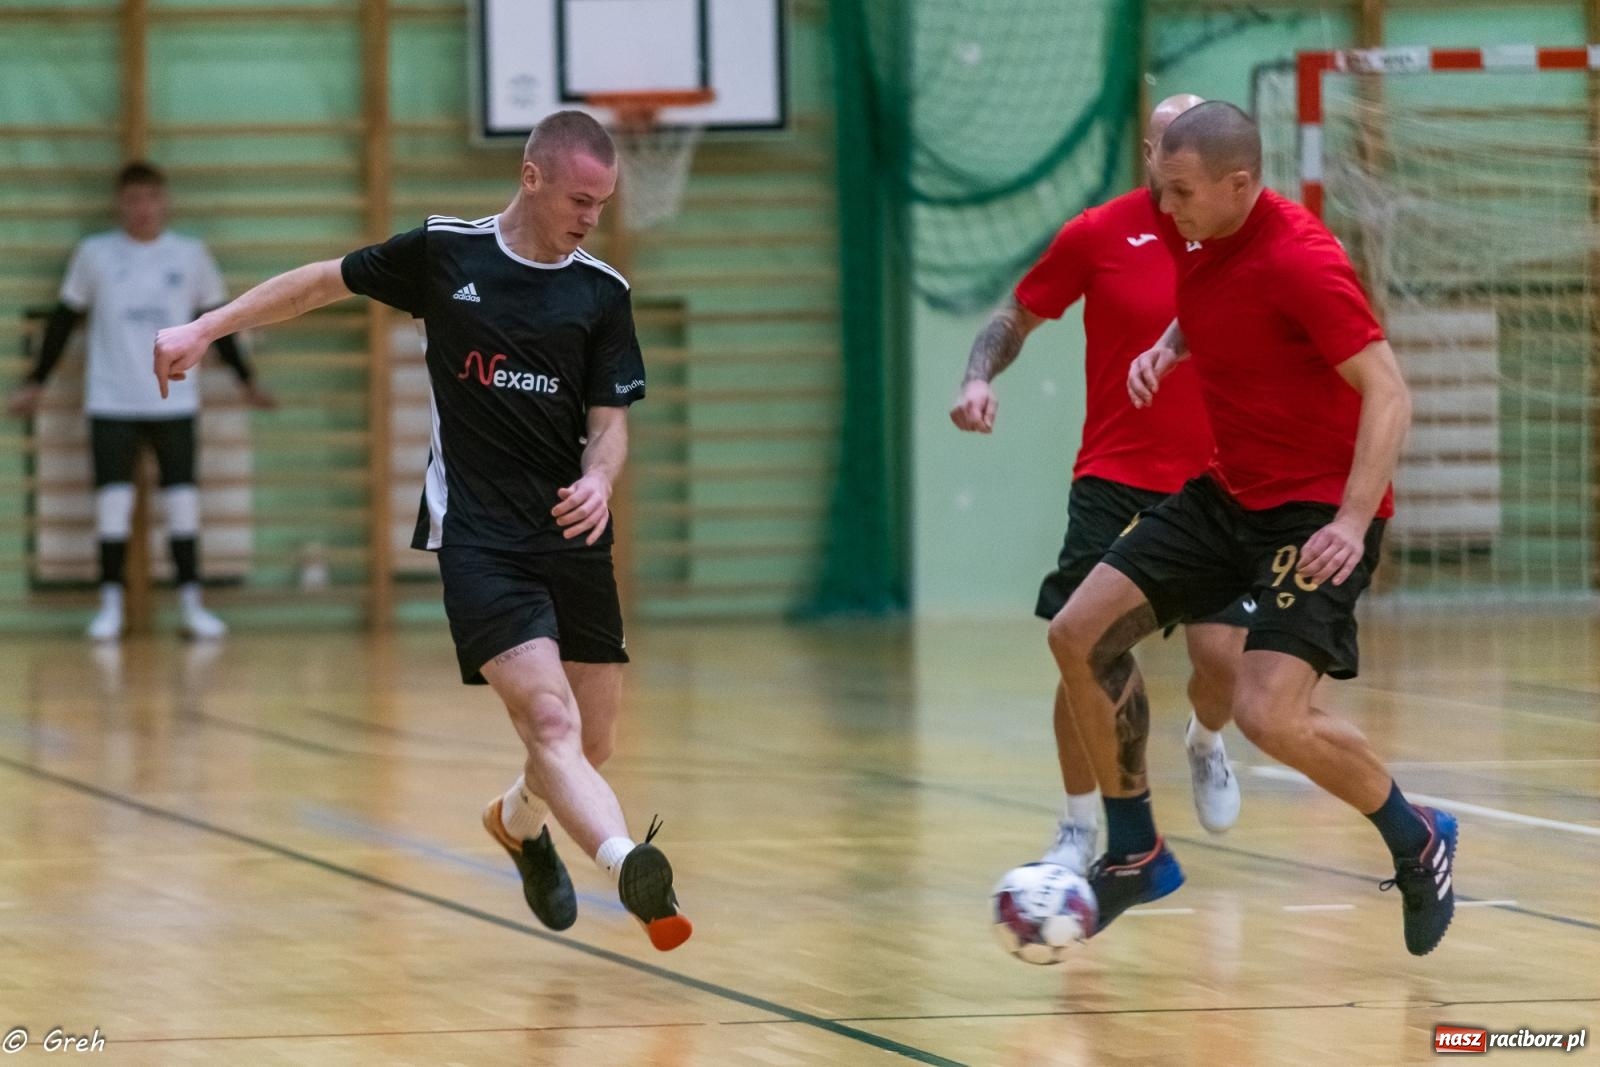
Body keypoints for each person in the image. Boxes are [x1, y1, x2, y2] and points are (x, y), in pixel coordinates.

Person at [151, 111, 691, 951]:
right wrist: (204, 328)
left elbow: (610, 421)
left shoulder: (602, 292)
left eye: (604, 203)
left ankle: (518, 822)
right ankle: (628, 862)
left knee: (594, 741)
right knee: (549, 725)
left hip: (572, 535)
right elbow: (321, 282)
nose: (593, 217)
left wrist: (599, 476)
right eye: (581, 199)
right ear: (531, 176)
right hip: (478, 537)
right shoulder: (448, 254)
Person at [1049, 101, 1456, 956]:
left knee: (1269, 714)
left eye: (1183, 192)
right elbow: (1214, 297)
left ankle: (1415, 834)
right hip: (1229, 494)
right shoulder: (1197, 228)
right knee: (1079, 634)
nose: (1166, 209)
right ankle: (1136, 850)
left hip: (1314, 512)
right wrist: (1170, 343)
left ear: (1241, 183)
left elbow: (1390, 392)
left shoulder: (1302, 260)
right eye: (1160, 189)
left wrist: (1350, 518)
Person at [951, 95, 1246, 876]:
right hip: (1115, 476)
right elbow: (1016, 315)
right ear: (1149, 151)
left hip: (1219, 484)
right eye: (1164, 145)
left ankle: (1206, 741)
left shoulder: (1240, 236)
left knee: (1226, 661)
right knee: (1083, 646)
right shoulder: (1099, 233)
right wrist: (977, 377)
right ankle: (1081, 823)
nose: (1174, 161)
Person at [7, 161, 274, 641]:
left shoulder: (189, 255)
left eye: (150, 198)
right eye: (132, 199)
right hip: (111, 401)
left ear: (163, 201)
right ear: (119, 203)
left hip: (174, 402)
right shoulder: (95, 255)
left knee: (184, 505)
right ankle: (110, 607)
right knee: (111, 506)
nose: (142, 208)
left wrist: (245, 379)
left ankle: (193, 607)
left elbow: (215, 323)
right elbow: (64, 320)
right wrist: (36, 381)